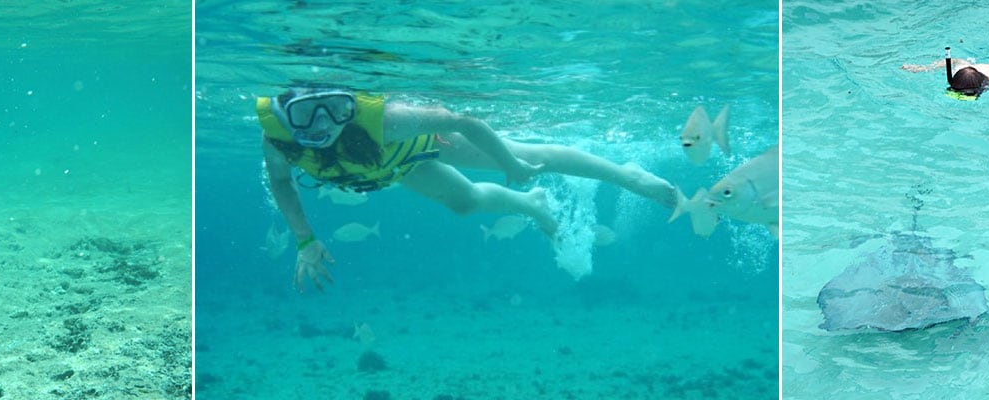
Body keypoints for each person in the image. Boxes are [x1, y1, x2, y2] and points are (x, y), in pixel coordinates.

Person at [257, 85, 679, 291]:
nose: (324, 123)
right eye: (306, 113)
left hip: (426, 144)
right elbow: (279, 180)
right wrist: (304, 239)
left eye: (337, 108)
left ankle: (627, 176)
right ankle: (534, 205)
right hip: (391, 169)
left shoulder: (386, 120)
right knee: (466, 204)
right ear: (282, 113)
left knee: (532, 157)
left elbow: (463, 122)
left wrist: (508, 163)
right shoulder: (276, 141)